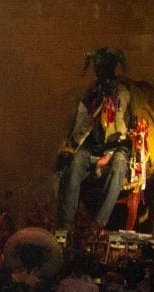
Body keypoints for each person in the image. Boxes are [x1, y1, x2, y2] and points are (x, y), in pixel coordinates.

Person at [57, 48, 133, 231]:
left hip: (116, 147)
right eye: (97, 69)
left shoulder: (122, 92)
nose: (100, 72)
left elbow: (122, 127)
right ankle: (65, 229)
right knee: (74, 165)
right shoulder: (91, 91)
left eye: (103, 68)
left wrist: (110, 152)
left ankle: (97, 227)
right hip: (91, 146)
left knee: (119, 167)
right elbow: (80, 122)